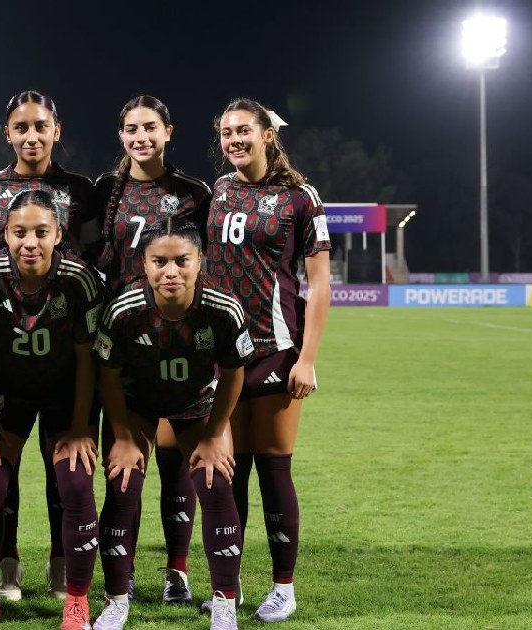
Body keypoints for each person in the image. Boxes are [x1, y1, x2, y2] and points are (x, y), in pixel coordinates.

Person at [0, 91, 98, 599]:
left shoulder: (81, 189)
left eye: (41, 126)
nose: (31, 135)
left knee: (65, 468)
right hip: (8, 350)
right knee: (0, 467)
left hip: (66, 338)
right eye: (21, 127)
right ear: (8, 133)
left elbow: (97, 256)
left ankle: (63, 564)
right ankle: (8, 564)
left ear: (56, 130)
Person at [204, 97, 332, 622]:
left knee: (274, 470)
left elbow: (320, 285)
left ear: (267, 136)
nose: (235, 140)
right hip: (223, 355)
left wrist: (307, 358)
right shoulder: (218, 190)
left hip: (276, 350)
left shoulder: (300, 197)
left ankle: (283, 587)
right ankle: (228, 588)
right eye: (227, 132)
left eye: (244, 131)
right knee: (228, 473)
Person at [95, 216, 254, 630]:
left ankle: (224, 603)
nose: (171, 272)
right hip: (137, 402)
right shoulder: (124, 309)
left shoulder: (223, 308)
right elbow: (108, 377)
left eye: (182, 261)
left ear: (199, 260)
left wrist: (215, 434)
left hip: (196, 402)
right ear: (144, 264)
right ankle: (116, 600)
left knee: (216, 483)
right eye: (159, 261)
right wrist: (123, 436)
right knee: (123, 483)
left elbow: (233, 373)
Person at [93, 95, 213, 604]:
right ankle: (119, 581)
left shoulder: (194, 192)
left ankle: (176, 571)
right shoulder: (105, 189)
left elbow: (206, 263)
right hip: (122, 339)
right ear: (121, 135)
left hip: (178, 336)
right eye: (131, 129)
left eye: (149, 127)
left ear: (168, 131)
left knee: (174, 461)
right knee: (123, 464)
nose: (140, 137)